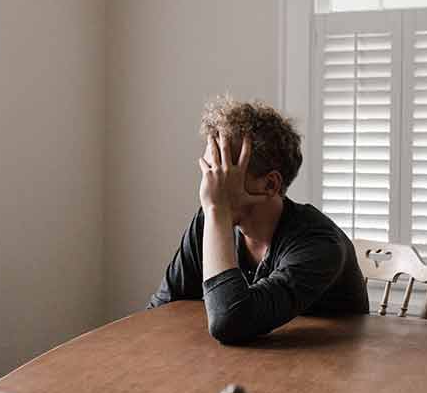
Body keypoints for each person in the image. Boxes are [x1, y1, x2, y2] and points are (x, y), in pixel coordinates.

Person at [148, 97, 369, 344]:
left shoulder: (320, 244)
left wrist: (217, 210)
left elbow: (230, 322)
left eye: (223, 172)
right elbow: (159, 311)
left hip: (327, 371)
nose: (209, 186)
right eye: (209, 171)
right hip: (243, 367)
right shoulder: (210, 221)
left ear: (270, 184)